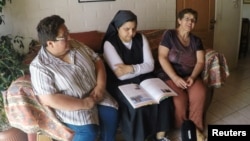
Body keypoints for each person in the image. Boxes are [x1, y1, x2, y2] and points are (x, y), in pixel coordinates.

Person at [29, 15, 118, 141]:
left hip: (97, 95)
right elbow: (49, 99)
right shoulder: (39, 67)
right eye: (64, 36)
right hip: (72, 106)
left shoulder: (75, 45)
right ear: (50, 43)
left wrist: (100, 86)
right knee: (89, 132)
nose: (70, 38)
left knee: (111, 113)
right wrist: (83, 103)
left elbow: (97, 60)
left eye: (68, 33)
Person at [101, 10, 174, 141]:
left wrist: (130, 68)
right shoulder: (109, 43)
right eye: (126, 29)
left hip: (145, 78)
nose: (131, 33)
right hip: (120, 83)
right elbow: (121, 76)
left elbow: (151, 65)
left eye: (134, 29)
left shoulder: (141, 38)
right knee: (139, 105)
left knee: (164, 98)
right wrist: (141, 68)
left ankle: (160, 137)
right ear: (117, 28)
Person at [158, 8, 207, 140]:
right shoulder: (169, 35)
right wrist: (175, 77)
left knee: (200, 93)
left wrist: (193, 77)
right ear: (179, 20)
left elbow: (200, 62)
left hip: (190, 76)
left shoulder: (196, 40)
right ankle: (183, 126)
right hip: (170, 76)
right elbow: (162, 57)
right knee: (179, 100)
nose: (190, 22)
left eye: (193, 20)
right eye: (187, 19)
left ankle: (195, 128)